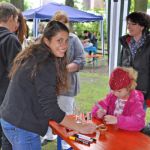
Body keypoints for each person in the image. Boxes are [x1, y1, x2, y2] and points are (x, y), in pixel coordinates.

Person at [0, 20, 96, 150]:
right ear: (46, 41)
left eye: (66, 40)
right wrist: (79, 127)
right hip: (22, 125)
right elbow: (51, 108)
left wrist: (70, 124)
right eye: (59, 40)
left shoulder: (36, 55)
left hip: (10, 118)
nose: (64, 45)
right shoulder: (45, 63)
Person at [41, 11, 86, 149]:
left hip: (67, 86)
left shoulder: (74, 39)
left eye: (65, 22)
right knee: (48, 111)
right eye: (60, 22)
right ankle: (48, 135)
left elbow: (81, 60)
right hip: (51, 84)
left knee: (66, 114)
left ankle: (67, 143)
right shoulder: (47, 39)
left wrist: (65, 69)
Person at [91, 67, 145, 131]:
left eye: (119, 91)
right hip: (113, 133)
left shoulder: (135, 101)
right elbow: (99, 106)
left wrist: (118, 120)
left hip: (128, 135)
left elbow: (139, 122)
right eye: (113, 90)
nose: (115, 94)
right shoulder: (112, 96)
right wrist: (98, 113)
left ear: (129, 87)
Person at [0, 2, 21, 150]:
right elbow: (17, 74)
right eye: (17, 19)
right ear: (12, 18)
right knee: (8, 139)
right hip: (5, 101)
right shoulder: (11, 39)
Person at [119, 12, 150, 109]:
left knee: (136, 121)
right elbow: (120, 67)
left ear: (142, 26)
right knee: (121, 119)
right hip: (125, 91)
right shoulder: (125, 43)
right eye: (128, 23)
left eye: (133, 24)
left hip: (142, 93)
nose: (129, 26)